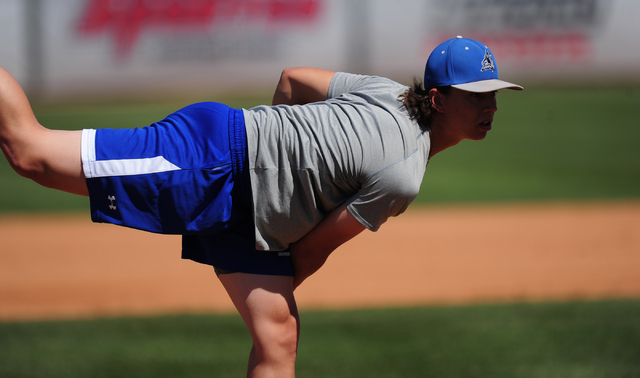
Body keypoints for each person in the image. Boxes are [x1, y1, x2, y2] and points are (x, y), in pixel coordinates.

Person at [0, 36, 522, 377]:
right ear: (437, 99)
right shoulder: (402, 174)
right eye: (476, 96)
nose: (490, 107)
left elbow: (292, 80)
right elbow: (312, 251)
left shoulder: (382, 91)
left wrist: (280, 168)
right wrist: (269, 157)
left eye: (494, 94)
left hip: (249, 212)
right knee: (31, 153)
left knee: (277, 341)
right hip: (208, 162)